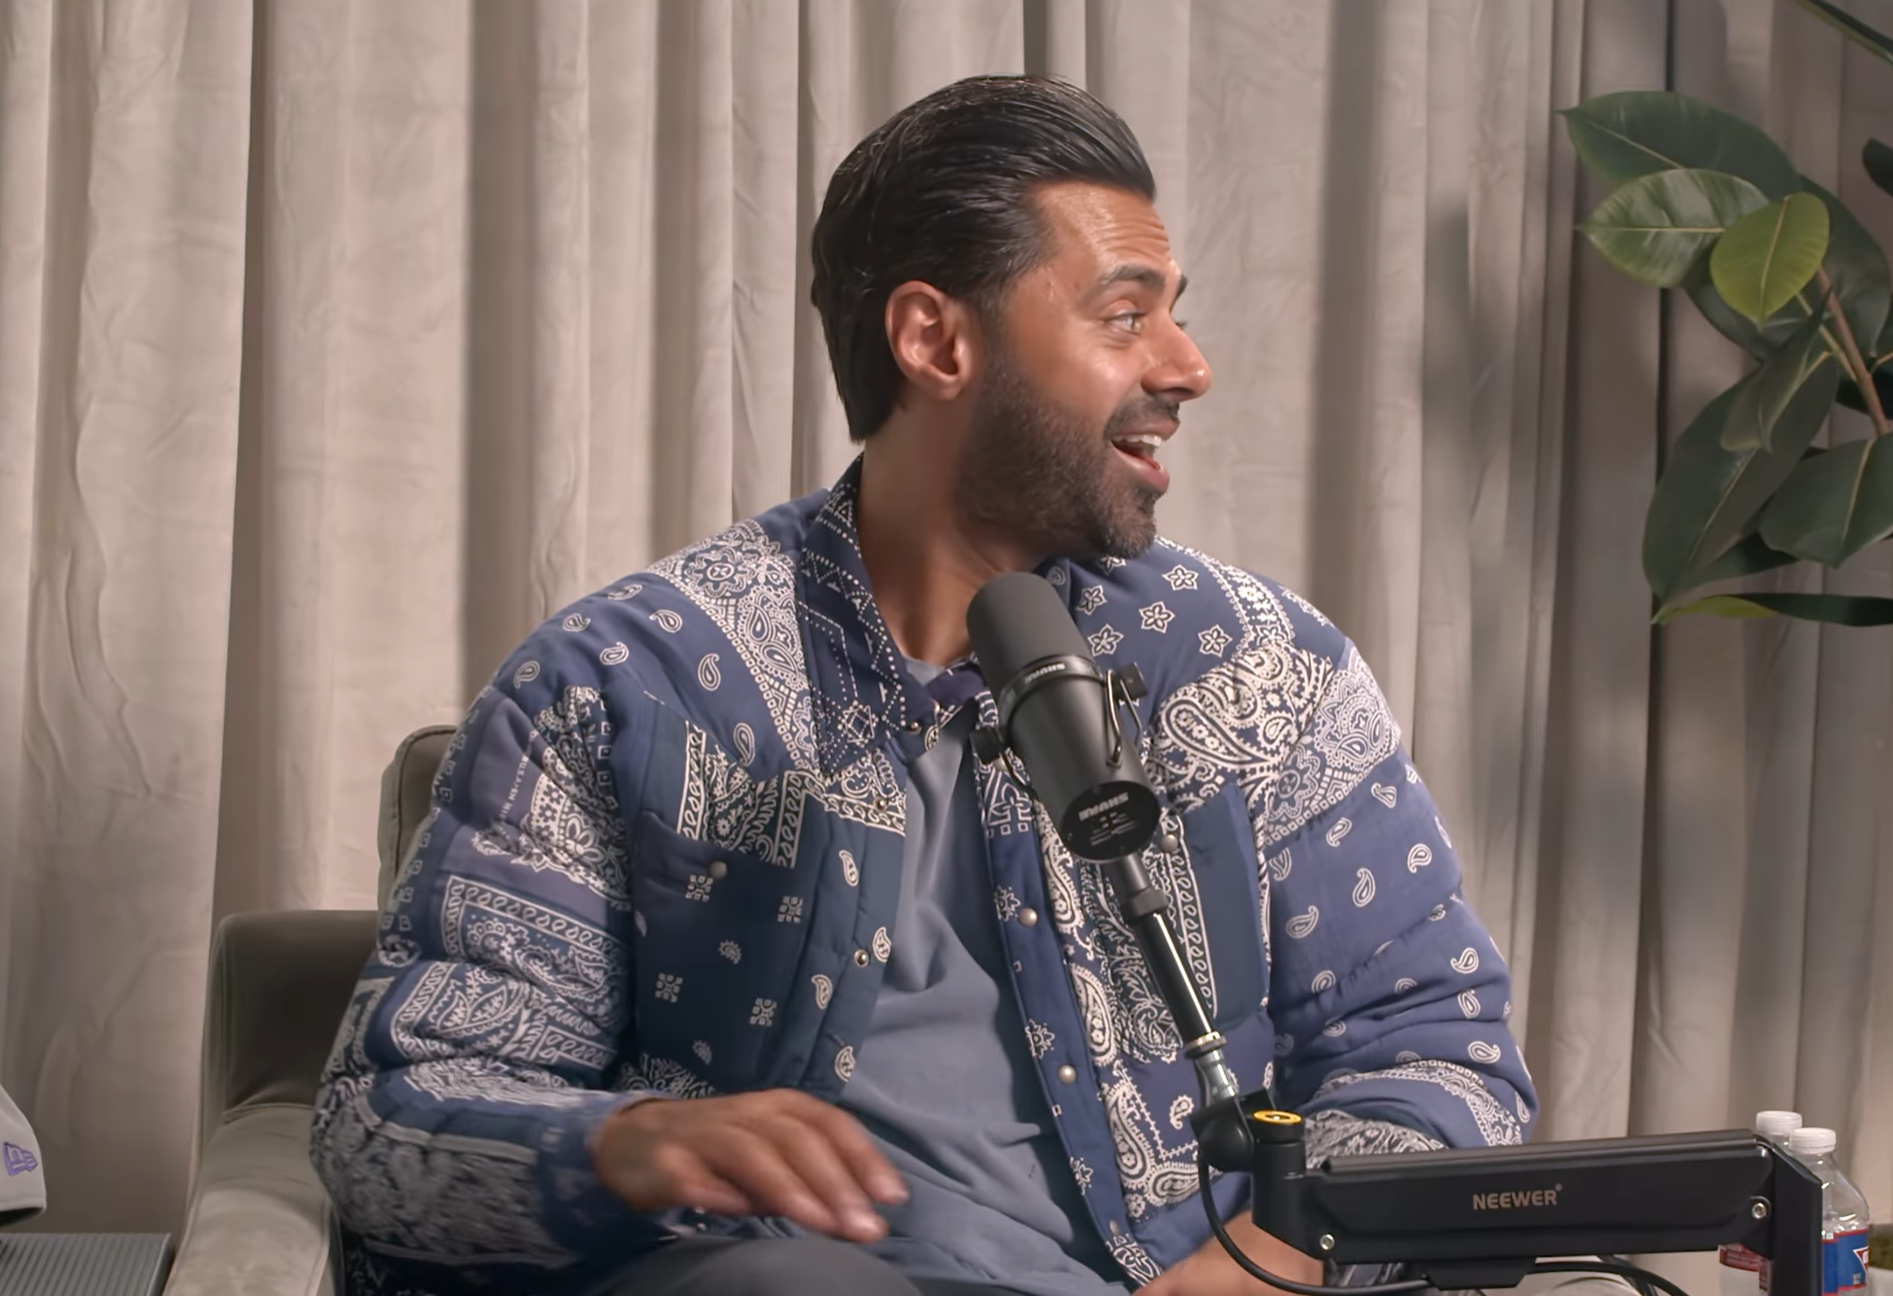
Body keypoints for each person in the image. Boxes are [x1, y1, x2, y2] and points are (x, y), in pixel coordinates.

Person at [311, 75, 1536, 1296]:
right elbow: (388, 1125)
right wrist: (631, 1145)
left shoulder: (1263, 668)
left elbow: (1441, 1059)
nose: (1188, 366)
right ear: (935, 342)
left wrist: (1282, 1255)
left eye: (1177, 315)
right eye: (1125, 317)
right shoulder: (627, 681)